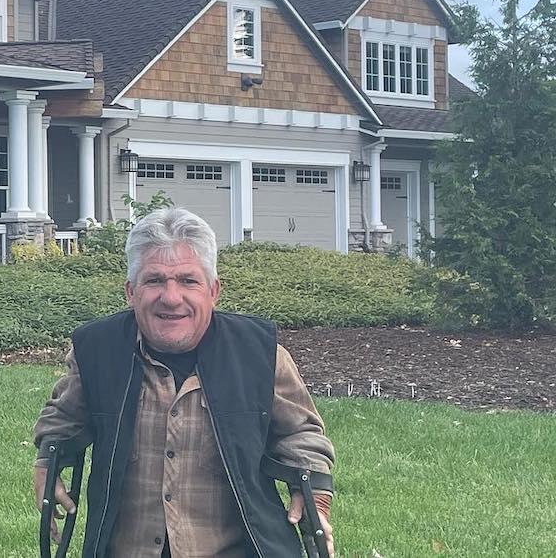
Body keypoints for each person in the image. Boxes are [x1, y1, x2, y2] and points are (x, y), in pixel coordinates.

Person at [32, 207, 335, 558]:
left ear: (213, 291)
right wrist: (47, 462)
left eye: (188, 281)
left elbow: (302, 433)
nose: (171, 298)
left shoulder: (261, 354)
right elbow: (63, 417)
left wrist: (315, 493)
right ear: (131, 292)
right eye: (155, 280)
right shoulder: (95, 350)